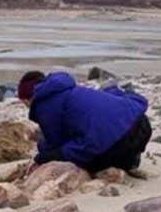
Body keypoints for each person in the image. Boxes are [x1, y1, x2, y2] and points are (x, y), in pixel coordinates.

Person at [17, 70, 152, 174]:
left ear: (28, 99)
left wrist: (40, 155)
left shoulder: (44, 105)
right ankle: (130, 158)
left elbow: (56, 144)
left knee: (69, 155)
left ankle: (124, 160)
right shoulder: (70, 89)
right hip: (142, 124)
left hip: (118, 144)